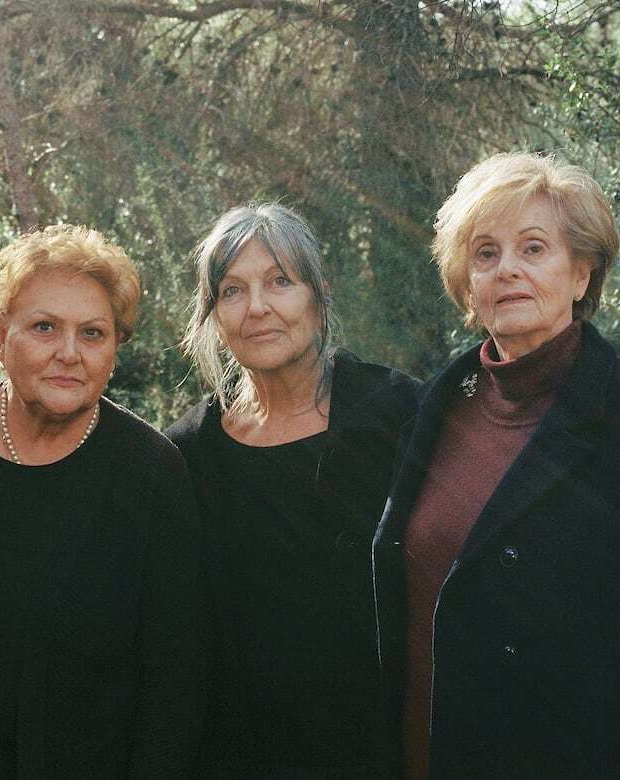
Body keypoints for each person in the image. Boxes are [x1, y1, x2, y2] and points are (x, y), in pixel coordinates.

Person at [372, 152, 620, 778]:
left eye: (533, 247)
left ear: (581, 272)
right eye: (485, 253)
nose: (507, 269)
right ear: (466, 282)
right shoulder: (433, 411)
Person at [0, 223, 206, 777]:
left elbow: (177, 679)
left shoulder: (152, 474)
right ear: (2, 333)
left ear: (116, 349)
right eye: (44, 327)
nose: (68, 354)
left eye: (93, 333)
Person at [164, 203, 419, 776]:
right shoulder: (188, 454)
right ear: (216, 316)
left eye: (280, 281)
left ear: (318, 295)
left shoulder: (398, 415)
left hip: (384, 752)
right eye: (232, 290)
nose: (258, 308)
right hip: (244, 755)